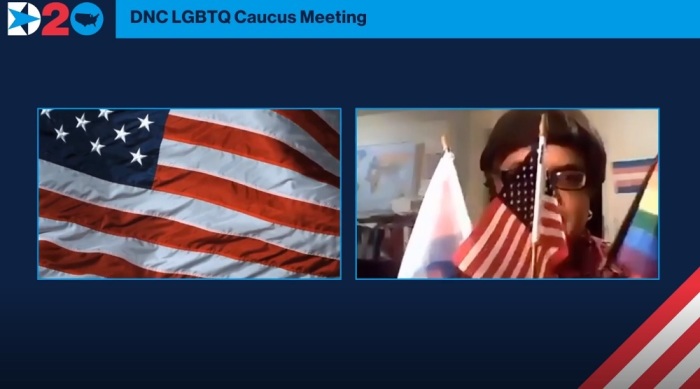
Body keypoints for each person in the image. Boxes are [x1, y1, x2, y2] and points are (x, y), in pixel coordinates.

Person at [479, 110, 626, 278]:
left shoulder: (624, 272)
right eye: (522, 175)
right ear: (494, 188)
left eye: (568, 178)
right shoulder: (472, 269)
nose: (544, 194)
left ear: (589, 194)